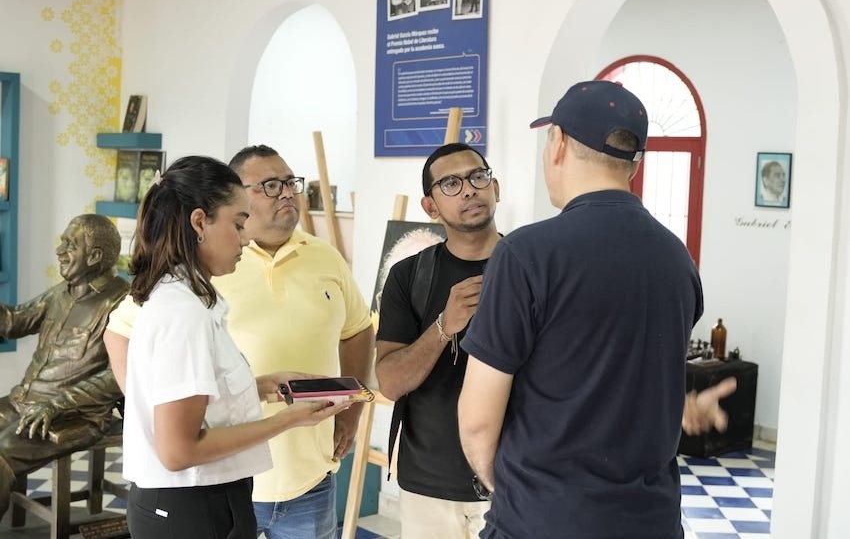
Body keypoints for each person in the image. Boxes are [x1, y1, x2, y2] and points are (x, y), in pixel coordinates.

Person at [457, 80, 736, 538]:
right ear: (633, 162)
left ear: (558, 142)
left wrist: (513, 494)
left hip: (543, 523)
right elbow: (627, 376)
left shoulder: (528, 254)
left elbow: (477, 420)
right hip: (652, 523)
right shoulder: (676, 258)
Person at [105, 145, 374, 539]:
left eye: (289, 183)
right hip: (193, 500)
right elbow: (179, 449)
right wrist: (287, 419)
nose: (243, 239)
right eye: (237, 223)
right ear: (200, 223)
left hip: (252, 487)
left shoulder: (195, 298)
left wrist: (264, 385)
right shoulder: (184, 312)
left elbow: (358, 330)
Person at [376, 142, 501, 539]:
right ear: (430, 206)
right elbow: (391, 382)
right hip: (429, 484)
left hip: (513, 482)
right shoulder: (408, 276)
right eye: (450, 184)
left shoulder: (531, 269)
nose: (469, 190)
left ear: (495, 188)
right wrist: (444, 325)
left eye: (477, 177)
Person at [0, 213, 129, 519]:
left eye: (70, 245)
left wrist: (58, 404)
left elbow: (119, 376)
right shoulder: (62, 292)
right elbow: (13, 322)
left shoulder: (120, 302)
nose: (59, 251)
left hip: (73, 414)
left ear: (95, 255)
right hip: (23, 403)